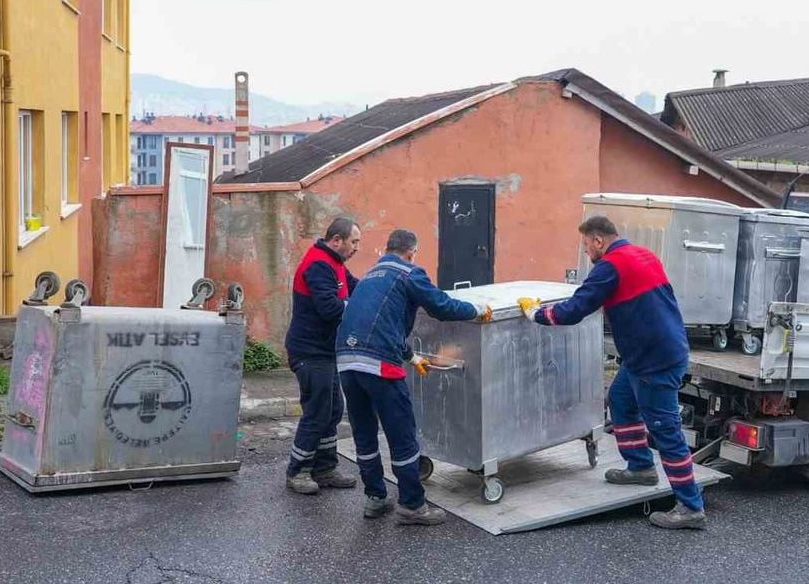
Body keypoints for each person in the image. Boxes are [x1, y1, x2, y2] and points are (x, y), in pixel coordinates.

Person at [517, 215, 705, 530]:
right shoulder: (643, 254)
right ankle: (641, 467)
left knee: (665, 430)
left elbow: (576, 309)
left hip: (653, 360)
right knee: (620, 400)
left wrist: (536, 313)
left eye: (586, 245)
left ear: (598, 240)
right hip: (654, 351)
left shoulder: (610, 266)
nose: (587, 252)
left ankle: (690, 506)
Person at [336, 229, 492, 526]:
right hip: (380, 364)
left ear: (388, 248)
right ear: (411, 252)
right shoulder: (409, 272)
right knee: (402, 433)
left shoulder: (370, 276)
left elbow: (381, 322)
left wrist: (411, 356)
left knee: (365, 433)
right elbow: (441, 306)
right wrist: (477, 310)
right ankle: (412, 504)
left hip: (346, 361)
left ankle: (376, 497)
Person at [282, 217, 361, 495]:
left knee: (333, 410)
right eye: (354, 242)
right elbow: (330, 308)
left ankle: (325, 468)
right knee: (317, 412)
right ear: (336, 240)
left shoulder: (336, 264)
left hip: (325, 350)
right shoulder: (318, 264)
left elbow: (356, 288)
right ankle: (298, 471)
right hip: (309, 351)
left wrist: (377, 294)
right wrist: (357, 307)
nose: (357, 248)